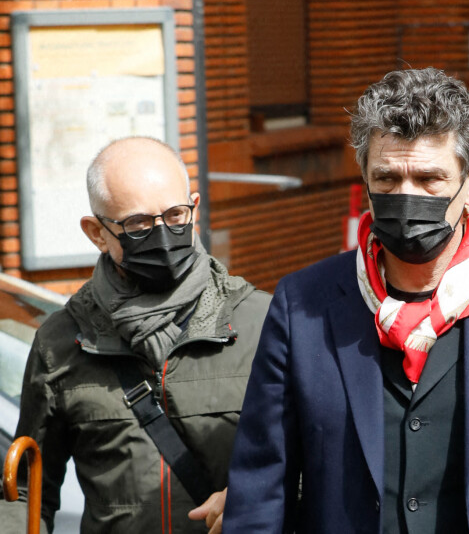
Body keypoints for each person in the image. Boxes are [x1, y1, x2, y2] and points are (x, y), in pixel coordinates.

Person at [221, 68, 469, 533]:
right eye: (387, 179)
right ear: (365, 177)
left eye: (429, 178)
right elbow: (261, 489)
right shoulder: (302, 304)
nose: (406, 197)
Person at [1, 137, 271, 533]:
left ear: (194, 207)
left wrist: (255, 500)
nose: (162, 235)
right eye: (138, 224)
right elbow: (26, 491)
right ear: (96, 232)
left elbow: (321, 460)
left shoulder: (260, 322)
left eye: (176, 215)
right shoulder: (61, 343)